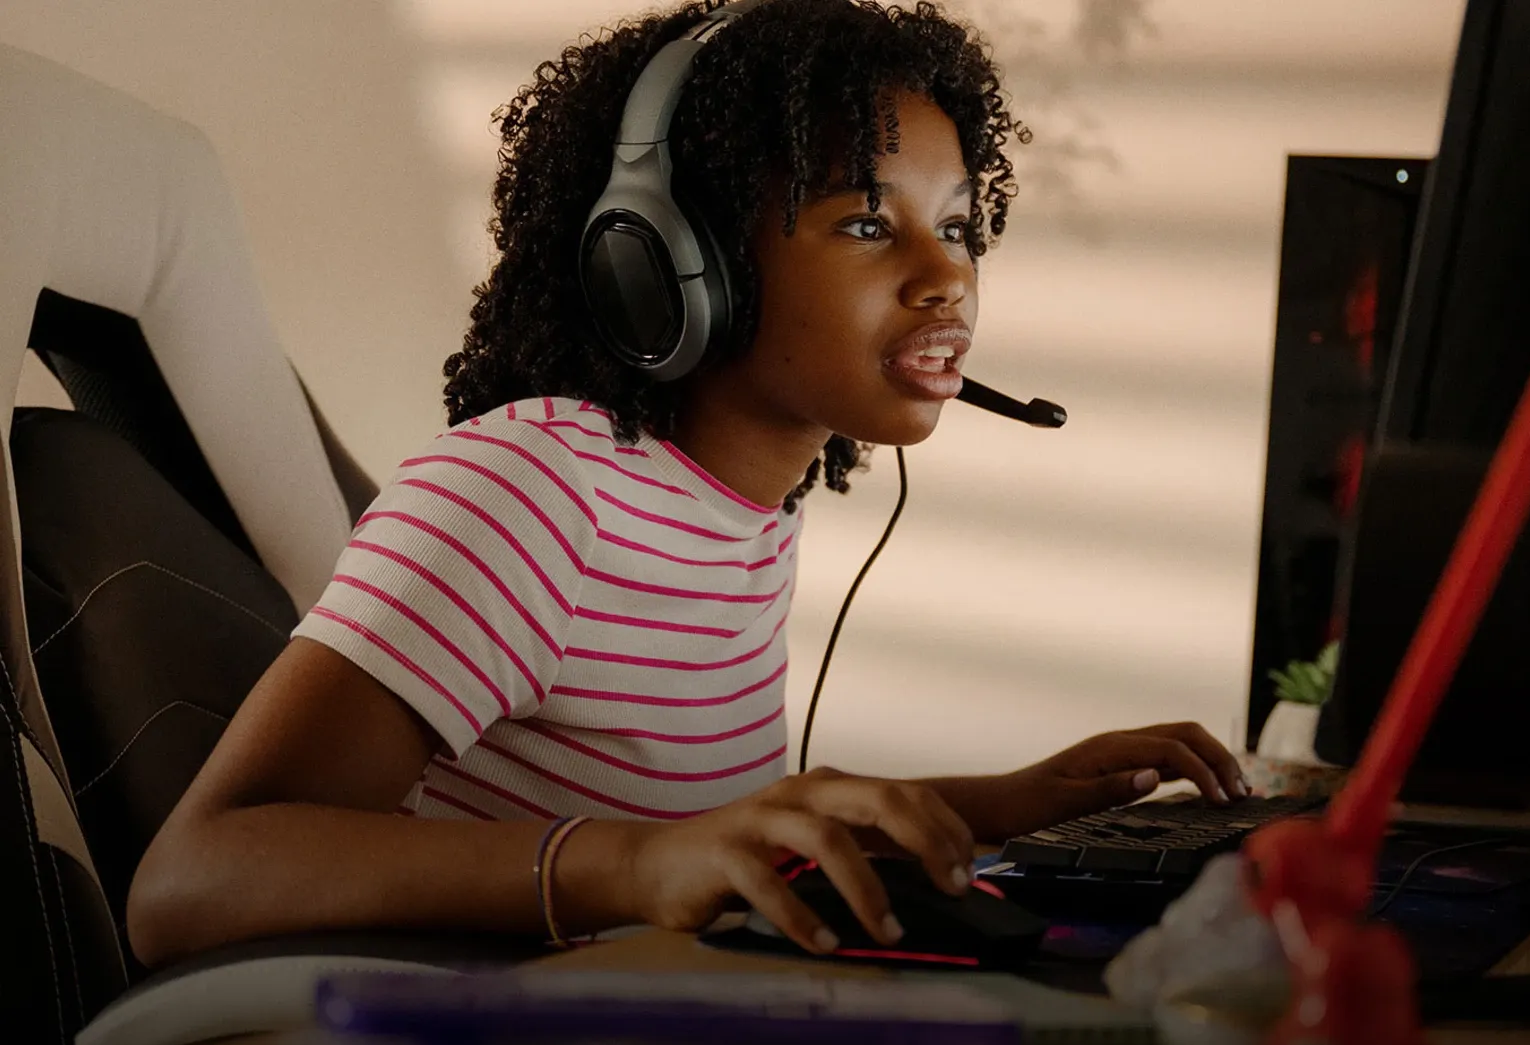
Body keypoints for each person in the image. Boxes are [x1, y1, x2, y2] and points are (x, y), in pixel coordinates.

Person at [127, 0, 1248, 969]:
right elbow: (191, 881)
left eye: (957, 226)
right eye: (868, 222)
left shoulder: (741, 510)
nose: (947, 272)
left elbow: (693, 822)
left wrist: (993, 804)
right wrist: (629, 865)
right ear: (666, 259)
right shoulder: (533, 490)